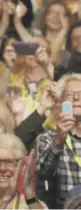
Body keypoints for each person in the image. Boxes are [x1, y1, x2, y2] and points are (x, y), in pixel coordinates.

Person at [36, 73, 81, 209]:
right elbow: (43, 174)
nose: (76, 98)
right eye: (69, 94)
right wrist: (59, 140)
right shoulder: (47, 139)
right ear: (60, 102)